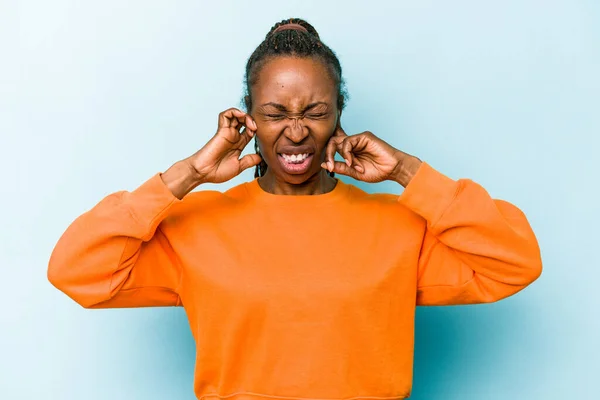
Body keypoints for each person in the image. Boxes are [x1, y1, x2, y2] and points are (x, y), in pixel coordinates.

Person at [48, 17, 542, 400]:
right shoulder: (196, 226)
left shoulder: (401, 225)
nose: (297, 131)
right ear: (248, 119)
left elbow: (514, 262)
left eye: (316, 112)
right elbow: (77, 270)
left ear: (339, 116)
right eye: (275, 113)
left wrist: (407, 171)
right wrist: (188, 175)